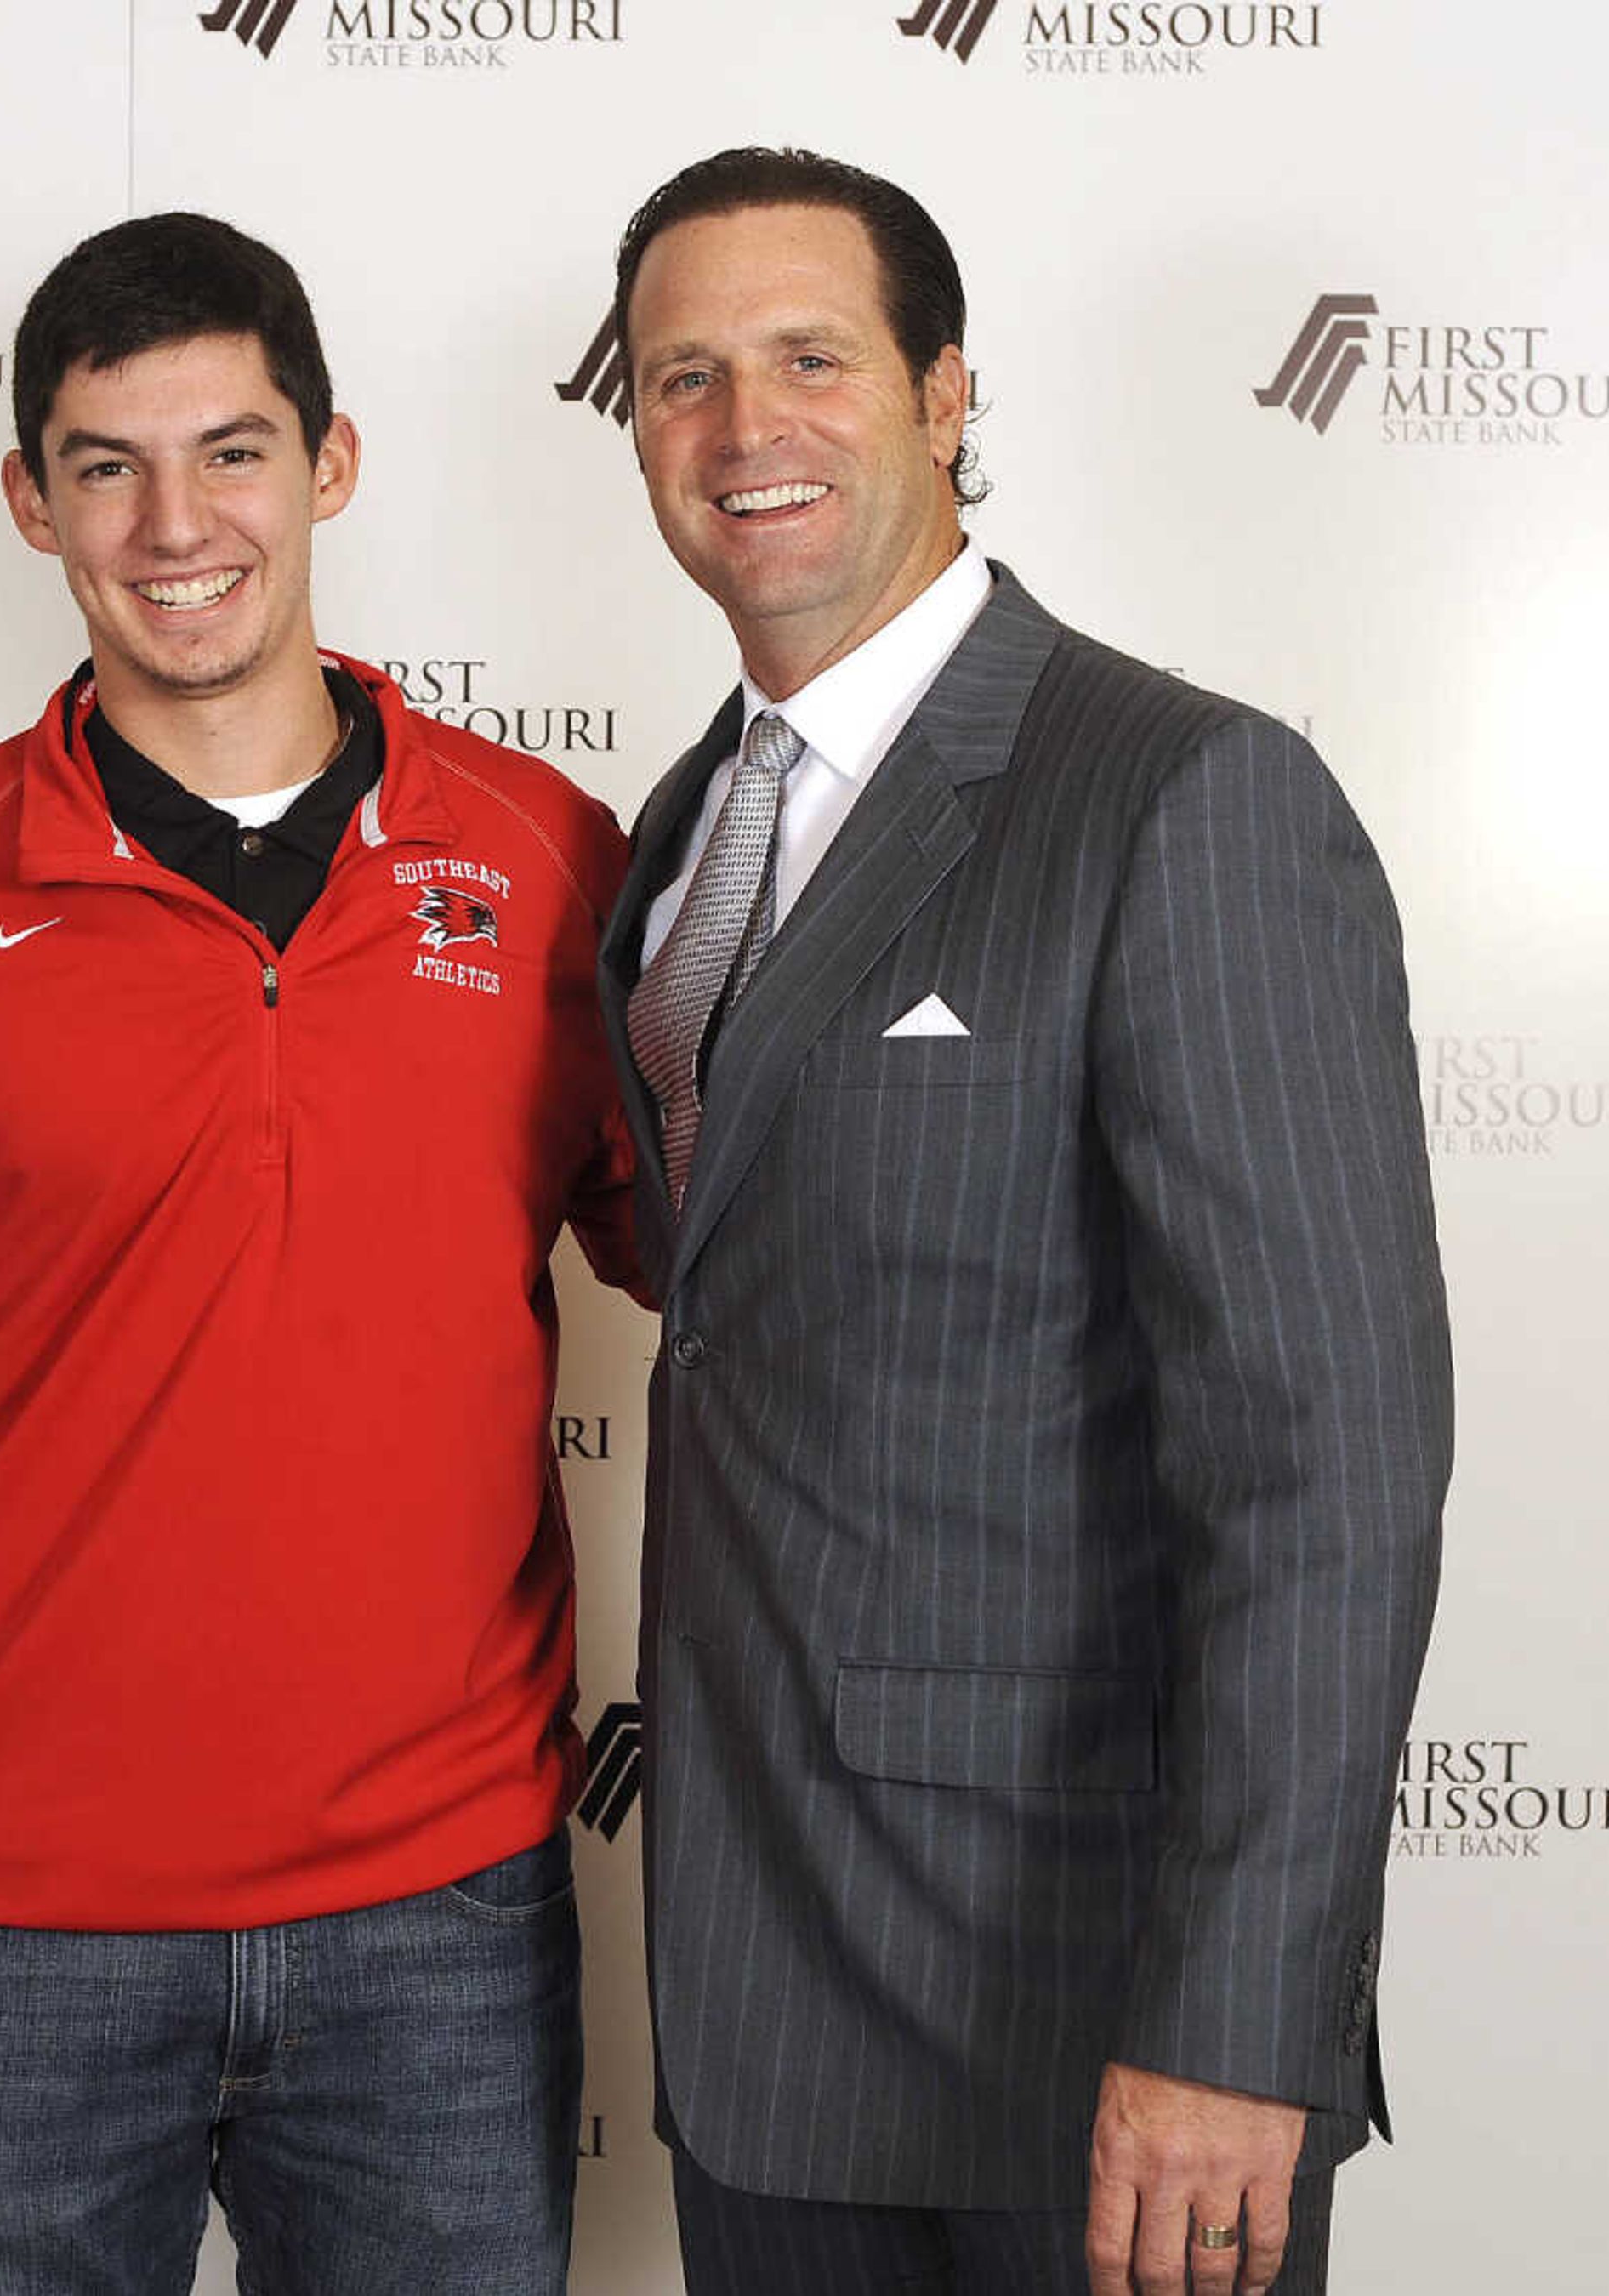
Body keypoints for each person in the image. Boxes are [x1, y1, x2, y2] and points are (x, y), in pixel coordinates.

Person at [0, 210, 638, 2296]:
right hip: (5, 1934)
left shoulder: (548, 855)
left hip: (439, 1929)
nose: (175, 522)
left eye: (231, 450)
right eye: (107, 465)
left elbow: (739, 1265)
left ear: (334, 463)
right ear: (30, 502)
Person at [596, 149, 1450, 2296]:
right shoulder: (689, 831)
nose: (741, 429)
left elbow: (1326, 1475)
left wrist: (1239, 2025)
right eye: (682, 378)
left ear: (947, 392)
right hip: (760, 2009)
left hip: (1089, 2040)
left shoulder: (1184, 795)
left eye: (810, 358)